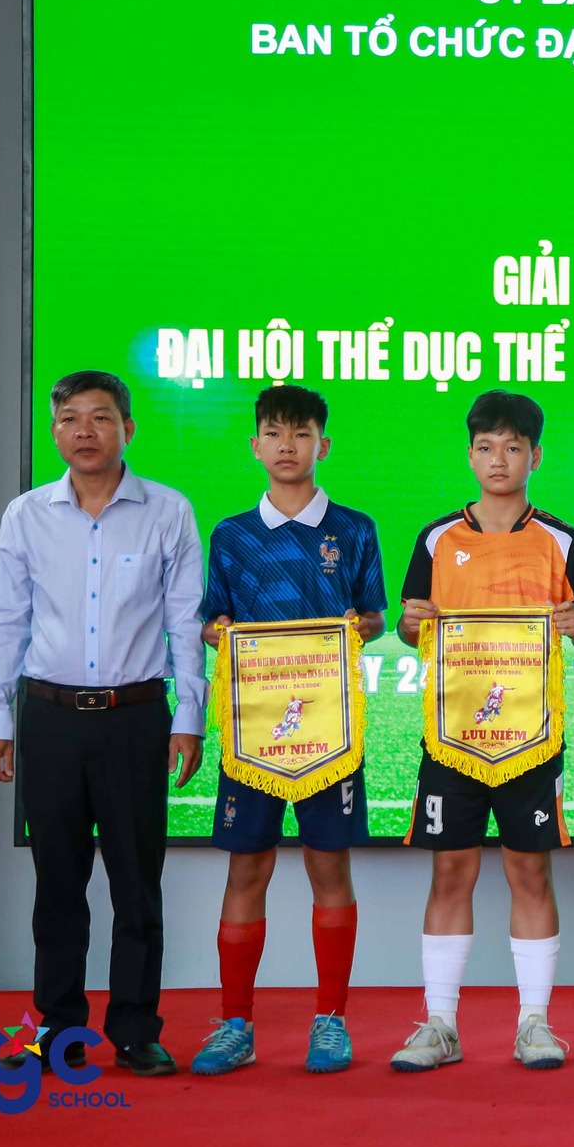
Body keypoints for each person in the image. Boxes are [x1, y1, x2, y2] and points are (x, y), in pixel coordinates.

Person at [0, 370, 204, 1078]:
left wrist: (190, 714)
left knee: (138, 883)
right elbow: (4, 620)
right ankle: (58, 1028)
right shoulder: (26, 515)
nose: (84, 431)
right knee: (58, 883)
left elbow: (184, 622)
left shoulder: (168, 510)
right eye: (70, 418)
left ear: (127, 429)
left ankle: (135, 1028)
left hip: (135, 719)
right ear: (55, 432)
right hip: (49, 718)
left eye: (100, 417)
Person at [389, 390, 574, 1073]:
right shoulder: (435, 538)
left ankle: (534, 1022)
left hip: (529, 736)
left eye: (513, 447)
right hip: (451, 734)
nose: (499, 459)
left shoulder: (561, 539)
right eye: (486, 447)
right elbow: (410, 627)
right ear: (471, 454)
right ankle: (440, 1023)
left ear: (535, 457)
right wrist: (410, 624)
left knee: (528, 870)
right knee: (450, 870)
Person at [188, 385, 387, 1078]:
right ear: (255, 446)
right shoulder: (231, 534)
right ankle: (235, 1023)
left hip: (329, 730)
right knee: (247, 867)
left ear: (322, 445)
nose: (287, 446)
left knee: (329, 866)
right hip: (255, 733)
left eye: (301, 434)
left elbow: (373, 617)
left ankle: (330, 1020)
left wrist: (353, 629)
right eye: (274, 433)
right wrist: (221, 633)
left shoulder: (354, 529)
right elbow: (211, 621)